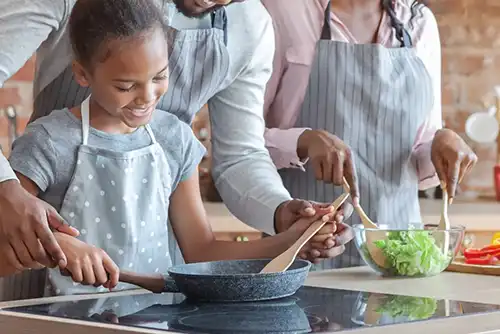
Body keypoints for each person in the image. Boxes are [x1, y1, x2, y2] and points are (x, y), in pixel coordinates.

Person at [0, 0, 351, 298]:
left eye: (159, 77)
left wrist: (287, 225)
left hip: (153, 272)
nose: (147, 97)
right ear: (83, 73)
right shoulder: (48, 140)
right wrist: (9, 193)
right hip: (42, 270)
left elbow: (240, 156)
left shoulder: (176, 138)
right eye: (125, 85)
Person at [261, 0, 477, 270]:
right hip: (303, 253)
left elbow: (416, 156)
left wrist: (440, 144)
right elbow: (243, 144)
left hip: (399, 261)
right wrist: (302, 142)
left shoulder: (419, 22)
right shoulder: (283, 10)